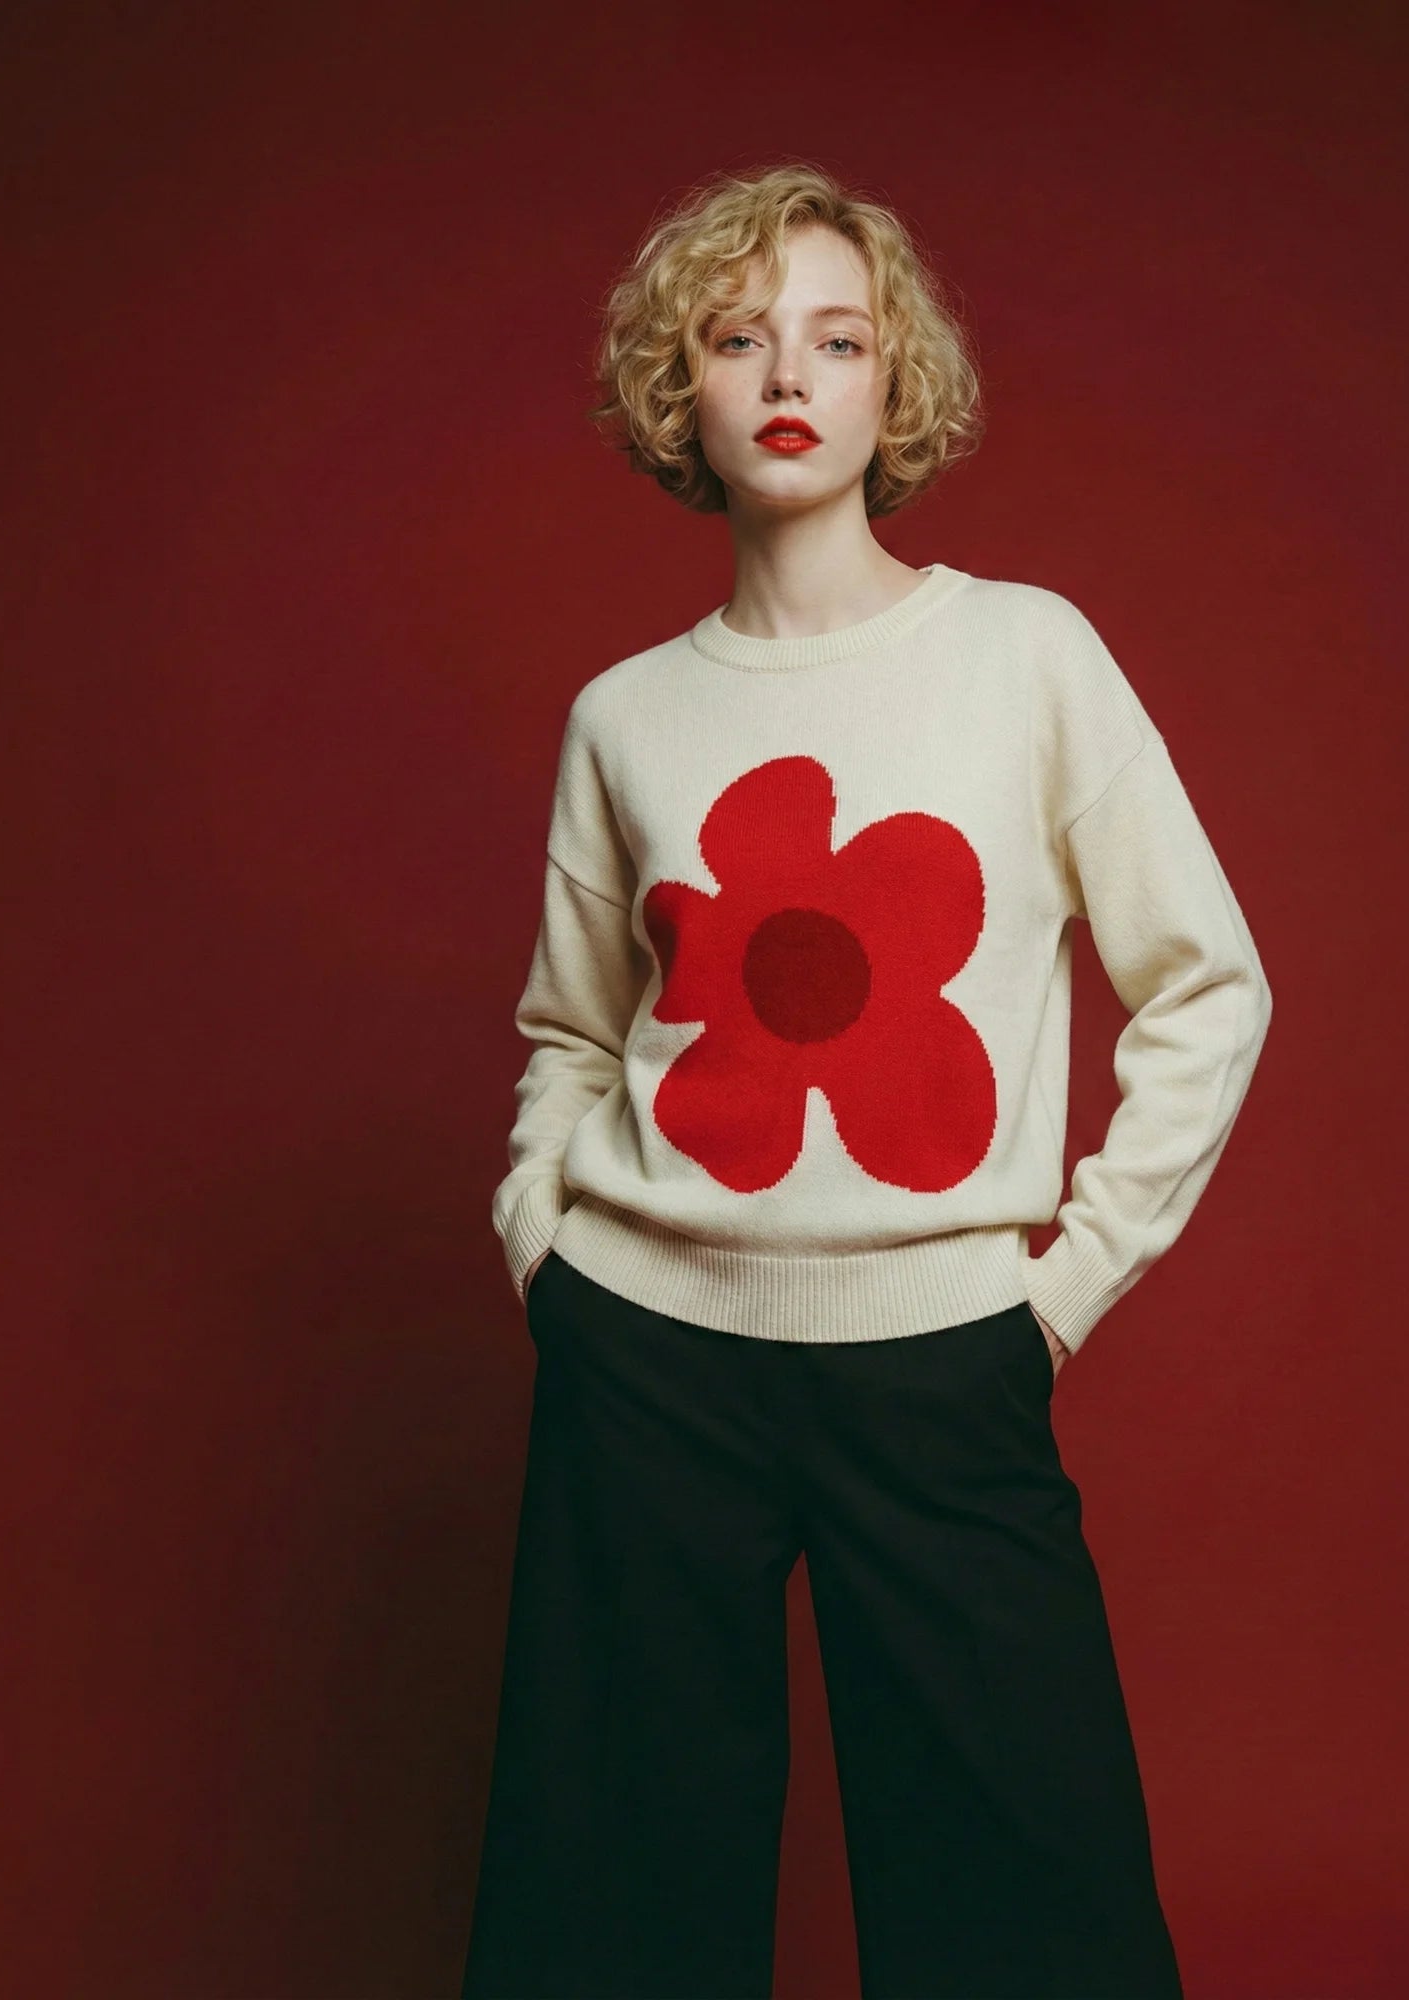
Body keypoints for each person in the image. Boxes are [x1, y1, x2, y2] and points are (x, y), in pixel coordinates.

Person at [461, 161, 1271, 2000]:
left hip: (943, 1359)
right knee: (607, 1910)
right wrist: (545, 1242)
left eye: (836, 336)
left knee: (1027, 1908)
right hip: (645, 1365)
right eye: (738, 341)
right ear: (688, 391)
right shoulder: (627, 716)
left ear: (897, 384)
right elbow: (572, 1034)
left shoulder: (1026, 654)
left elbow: (1206, 983)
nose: (787, 374)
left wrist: (1061, 1288)